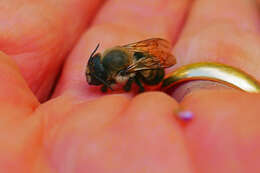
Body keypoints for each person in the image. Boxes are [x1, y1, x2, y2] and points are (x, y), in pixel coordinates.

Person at [0, 0, 260, 172]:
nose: (95, 78)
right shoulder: (117, 54)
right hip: (143, 58)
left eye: (99, 75)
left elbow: (141, 68)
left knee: (135, 79)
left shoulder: (122, 68)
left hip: (148, 72)